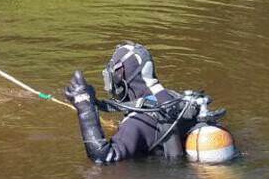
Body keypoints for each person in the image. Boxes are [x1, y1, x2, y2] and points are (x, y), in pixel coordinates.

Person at [63, 41, 204, 163]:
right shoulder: (177, 98)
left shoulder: (136, 122)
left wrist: (85, 110)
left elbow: (103, 158)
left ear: (119, 77)